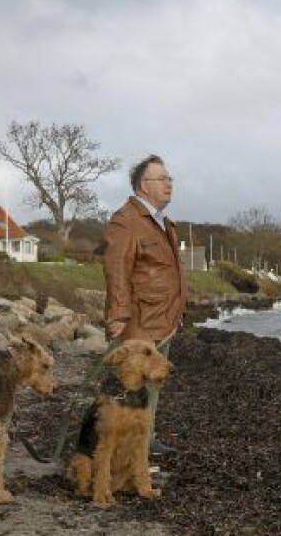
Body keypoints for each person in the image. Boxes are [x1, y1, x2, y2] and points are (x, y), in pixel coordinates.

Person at [103, 154, 187, 455]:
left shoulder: (163, 223)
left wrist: (178, 311)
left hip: (163, 318)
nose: (169, 184)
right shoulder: (126, 220)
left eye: (170, 179)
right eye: (161, 179)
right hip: (138, 319)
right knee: (126, 385)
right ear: (143, 186)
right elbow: (117, 269)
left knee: (153, 383)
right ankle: (112, 447)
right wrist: (118, 314)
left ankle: (144, 439)